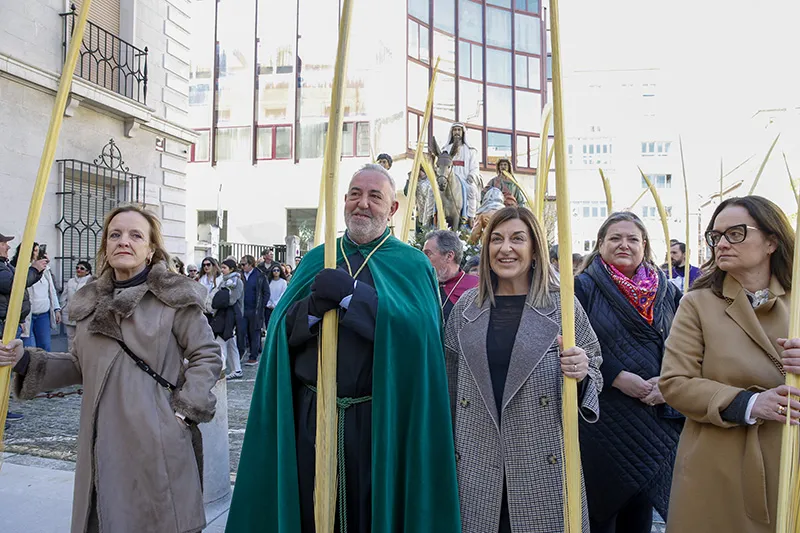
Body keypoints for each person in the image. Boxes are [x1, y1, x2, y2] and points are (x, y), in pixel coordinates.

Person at [226, 164, 460, 533]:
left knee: (369, 515)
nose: (362, 204)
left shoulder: (413, 265)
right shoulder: (319, 258)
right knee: (310, 511)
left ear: (392, 209)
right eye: (354, 194)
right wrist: (312, 310)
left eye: (374, 196)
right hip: (312, 416)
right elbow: (281, 335)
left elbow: (419, 339)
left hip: (378, 420)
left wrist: (354, 298)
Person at [0, 204, 222, 533]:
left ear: (150, 250)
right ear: (106, 245)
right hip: (101, 442)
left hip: (156, 442)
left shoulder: (174, 298)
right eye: (115, 235)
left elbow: (207, 355)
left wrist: (182, 412)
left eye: (136, 235)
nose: (124, 242)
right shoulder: (90, 302)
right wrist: (27, 361)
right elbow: (79, 364)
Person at [445, 206, 602, 533]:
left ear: (534, 250)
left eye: (517, 239)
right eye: (496, 240)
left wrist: (582, 371)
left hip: (540, 461)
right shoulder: (465, 308)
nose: (505, 248)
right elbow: (448, 383)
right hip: (475, 463)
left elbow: (594, 366)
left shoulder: (564, 305)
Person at [660, 196, 800, 532]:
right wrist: (750, 403)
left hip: (790, 460)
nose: (721, 243)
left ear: (772, 241)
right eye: (716, 235)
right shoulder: (697, 303)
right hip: (719, 463)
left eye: (735, 233)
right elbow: (675, 382)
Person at [574, 212, 683, 533]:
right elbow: (570, 341)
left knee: (641, 515)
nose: (624, 244)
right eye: (615, 238)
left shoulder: (665, 290)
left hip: (654, 415)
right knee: (601, 512)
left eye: (632, 238)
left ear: (644, 245)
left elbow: (685, 342)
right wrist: (617, 377)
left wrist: (671, 382)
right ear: (601, 244)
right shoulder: (582, 288)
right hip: (603, 418)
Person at [0, 232, 46, 426]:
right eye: (3, 243)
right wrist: (33, 270)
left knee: (5, 368)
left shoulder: (4, 265)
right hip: (2, 324)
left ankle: (3, 409)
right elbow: (13, 285)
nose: (8, 247)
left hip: (8, 323)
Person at [12, 243, 60, 351]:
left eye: (39, 250)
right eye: (34, 250)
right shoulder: (19, 268)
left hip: (43, 314)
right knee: (29, 348)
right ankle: (32, 368)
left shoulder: (46, 269)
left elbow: (51, 290)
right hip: (27, 316)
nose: (37, 253)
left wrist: (56, 309)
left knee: (45, 346)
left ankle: (44, 368)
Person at [423, 230, 479, 322]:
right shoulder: (423, 284)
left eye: (428, 254)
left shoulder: (476, 285)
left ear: (449, 256)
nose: (423, 259)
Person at [440, 122, 481, 222]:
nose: (457, 132)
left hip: (464, 178)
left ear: (463, 132)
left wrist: (471, 176)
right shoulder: (445, 149)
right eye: (455, 130)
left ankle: (471, 217)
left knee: (472, 189)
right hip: (447, 178)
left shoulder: (471, 150)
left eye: (459, 130)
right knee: (432, 191)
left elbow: (475, 167)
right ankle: (430, 217)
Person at [213, 258, 244, 380]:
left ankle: (222, 369)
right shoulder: (224, 281)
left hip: (230, 315)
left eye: (224, 268)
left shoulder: (236, 282)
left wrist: (221, 299)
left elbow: (233, 300)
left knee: (222, 342)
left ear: (231, 269)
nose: (222, 270)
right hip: (225, 314)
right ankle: (236, 369)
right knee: (230, 343)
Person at [239, 254, 269, 366]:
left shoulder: (260, 275)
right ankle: (240, 353)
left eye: (244, 264)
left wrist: (261, 306)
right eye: (241, 264)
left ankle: (253, 356)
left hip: (255, 310)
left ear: (250, 264)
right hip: (242, 309)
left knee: (255, 333)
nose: (242, 267)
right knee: (241, 332)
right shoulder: (239, 275)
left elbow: (266, 293)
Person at [60, 260, 93, 349]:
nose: (79, 270)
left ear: (88, 271)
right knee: (70, 337)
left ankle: (81, 357)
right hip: (69, 313)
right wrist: (62, 309)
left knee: (82, 338)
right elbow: (64, 296)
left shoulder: (91, 282)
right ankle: (71, 356)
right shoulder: (70, 281)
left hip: (83, 315)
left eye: (82, 268)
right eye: (77, 267)